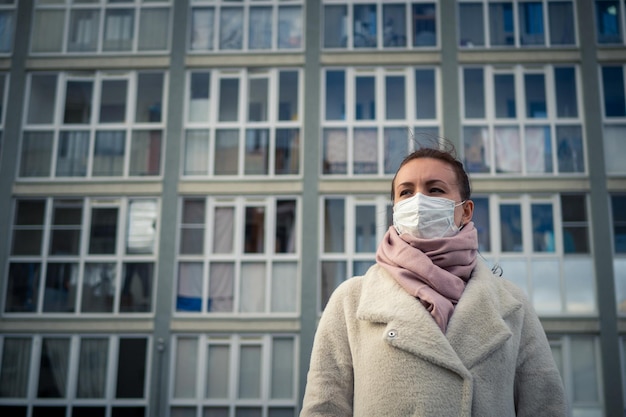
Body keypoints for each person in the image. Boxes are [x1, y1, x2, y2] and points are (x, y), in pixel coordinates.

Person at [300, 145, 567, 416]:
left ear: (466, 211)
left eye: (435, 190)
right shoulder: (351, 300)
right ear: (395, 209)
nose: (418, 201)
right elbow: (323, 408)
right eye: (406, 192)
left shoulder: (513, 305)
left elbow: (546, 407)